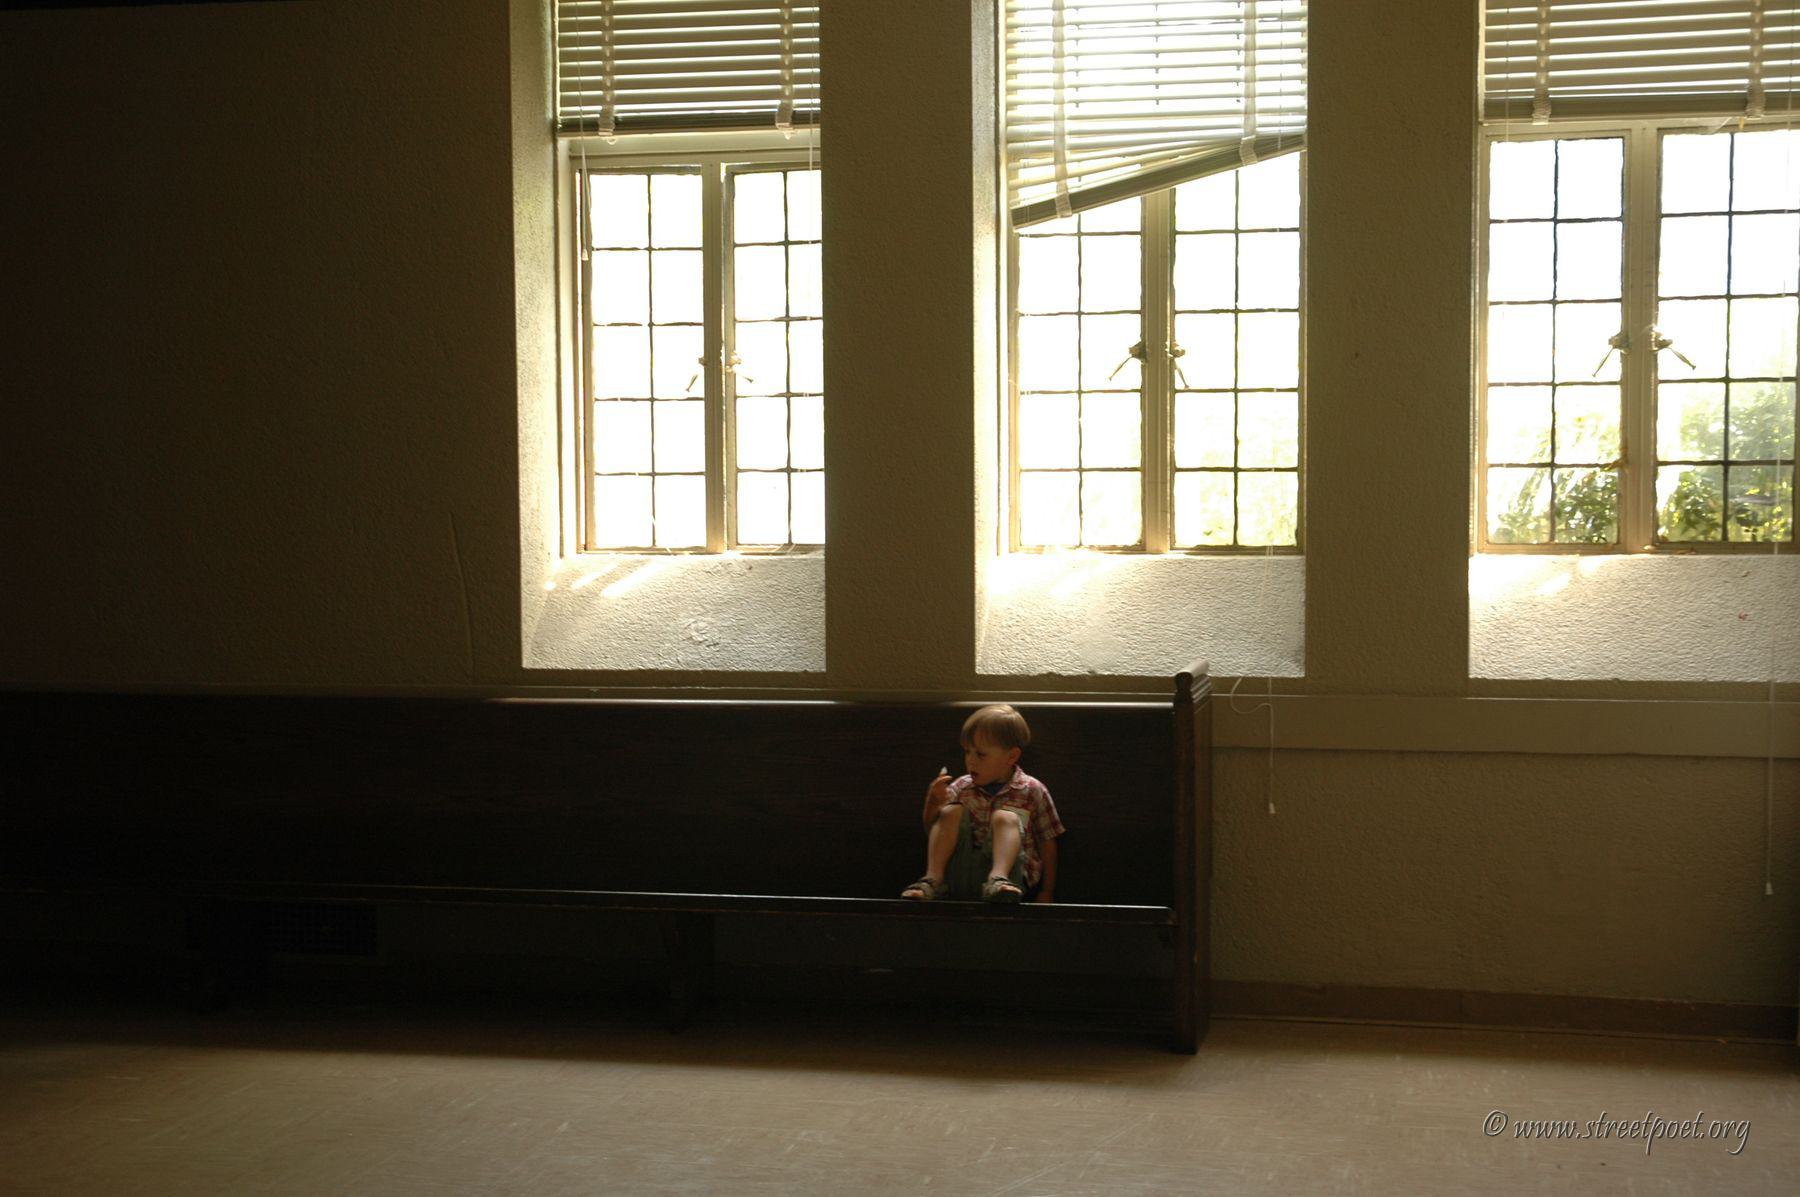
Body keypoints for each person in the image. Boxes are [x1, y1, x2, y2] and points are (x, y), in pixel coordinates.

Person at [899, 704, 1064, 903]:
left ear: (1011, 756)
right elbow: (933, 833)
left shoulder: (1032, 791)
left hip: (1011, 880)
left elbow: (1047, 843)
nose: (971, 761)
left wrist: (1047, 891)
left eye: (980, 754)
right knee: (951, 812)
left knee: (1005, 817)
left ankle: (998, 879)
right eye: (967, 752)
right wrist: (933, 805)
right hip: (960, 874)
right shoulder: (961, 788)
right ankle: (932, 880)